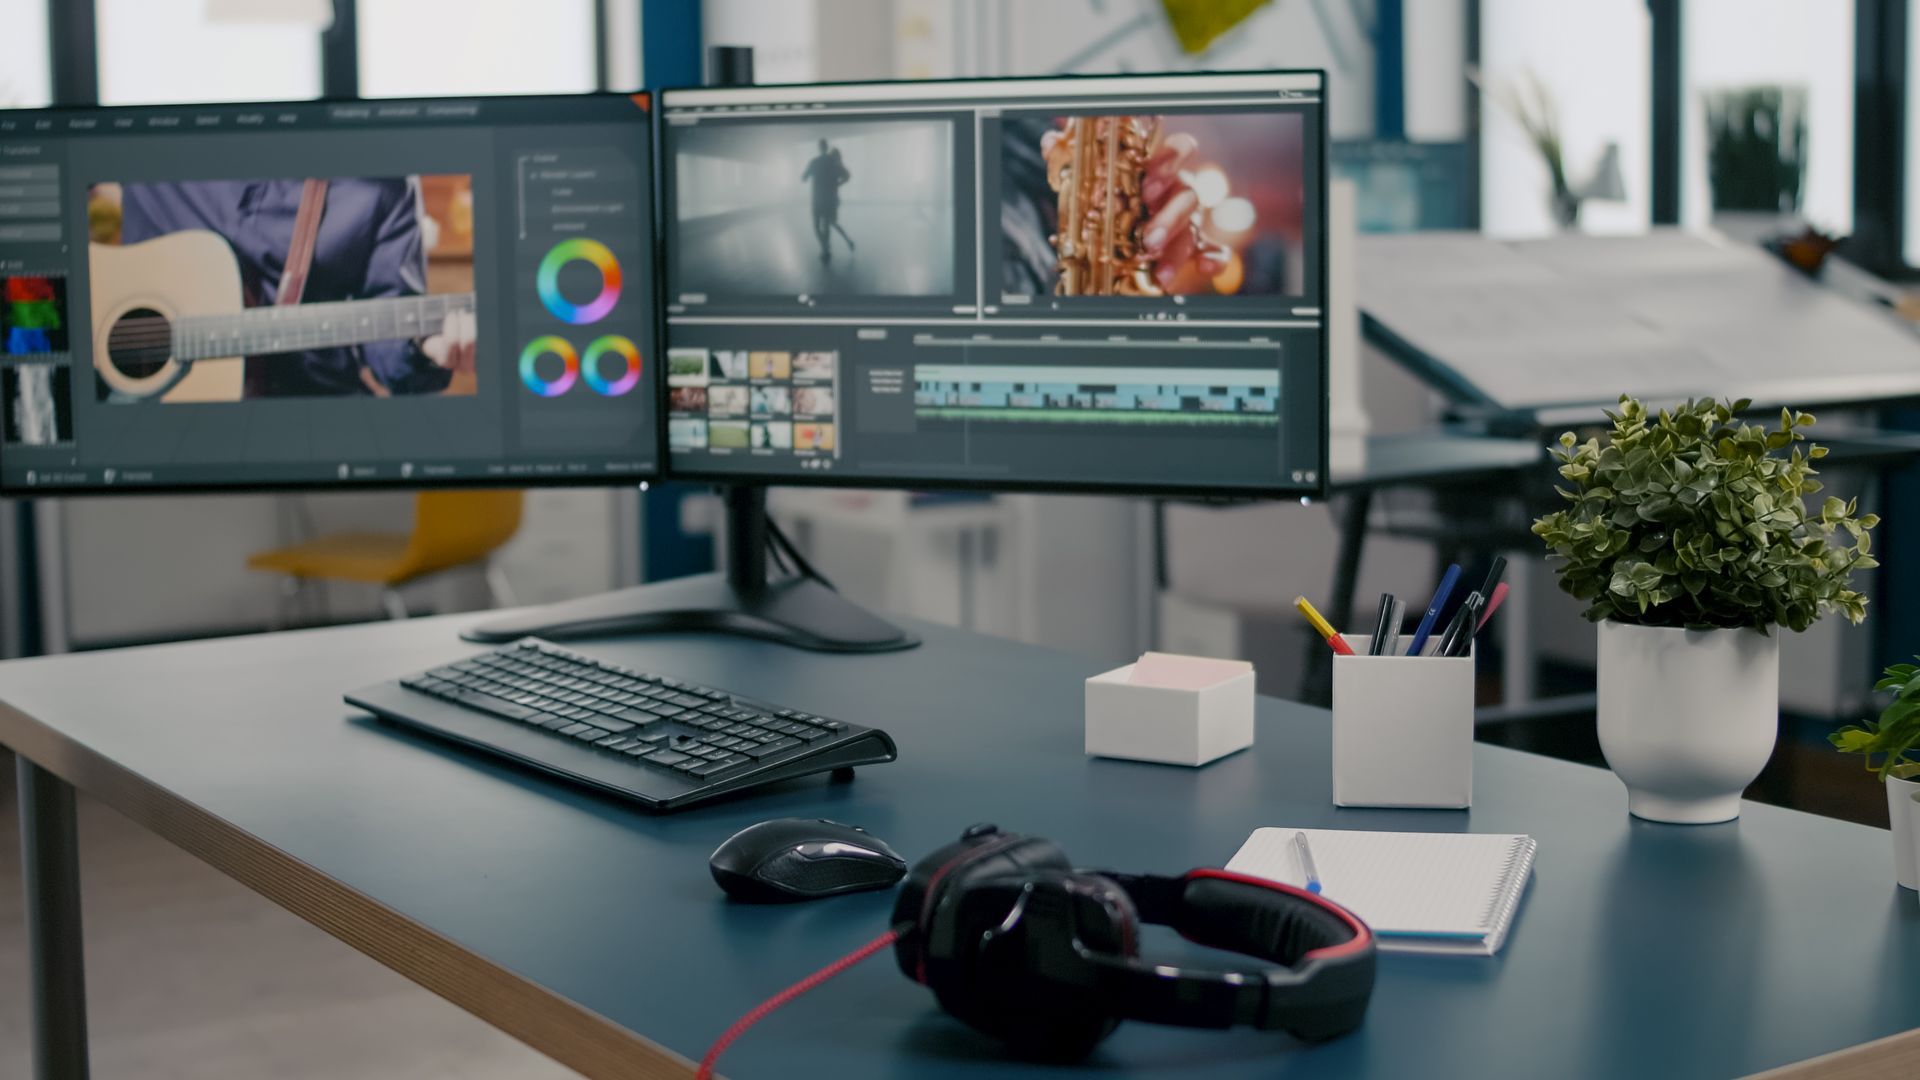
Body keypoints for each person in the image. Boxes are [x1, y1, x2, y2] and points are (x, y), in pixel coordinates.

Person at [115, 178, 472, 398]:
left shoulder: (381, 183)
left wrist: (424, 346)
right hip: (144, 417)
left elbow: (389, 328)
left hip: (315, 410)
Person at [800, 140, 855, 263]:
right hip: (831, 199)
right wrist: (838, 184)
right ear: (827, 147)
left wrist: (810, 176)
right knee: (829, 224)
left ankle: (825, 248)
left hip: (817, 199)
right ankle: (829, 247)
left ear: (819, 148)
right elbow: (847, 176)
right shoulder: (834, 162)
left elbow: (803, 178)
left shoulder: (814, 162)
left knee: (817, 226)